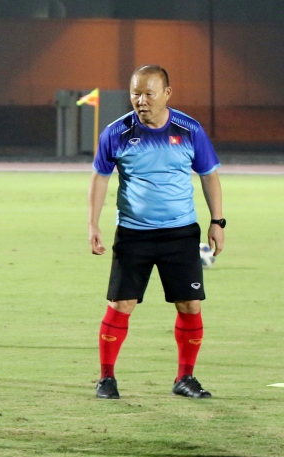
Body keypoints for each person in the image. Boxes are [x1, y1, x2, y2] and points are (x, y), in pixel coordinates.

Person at [88, 64, 224, 400]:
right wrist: (93, 223)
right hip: (134, 234)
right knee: (121, 304)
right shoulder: (116, 132)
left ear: (167, 94)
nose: (141, 100)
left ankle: (185, 378)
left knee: (190, 305)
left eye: (149, 93)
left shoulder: (189, 130)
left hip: (181, 234)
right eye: (135, 93)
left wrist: (217, 221)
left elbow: (209, 175)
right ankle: (106, 378)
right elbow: (100, 178)